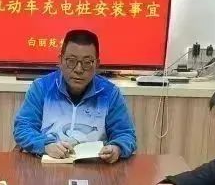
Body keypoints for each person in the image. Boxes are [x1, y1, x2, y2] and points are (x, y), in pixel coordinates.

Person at [12, 29, 137, 162]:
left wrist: (117, 148)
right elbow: (23, 128)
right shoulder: (42, 88)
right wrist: (45, 145)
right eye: (71, 61)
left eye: (87, 62)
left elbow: (126, 135)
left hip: (94, 167)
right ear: (60, 60)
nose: (78, 69)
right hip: (48, 164)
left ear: (97, 64)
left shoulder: (110, 93)